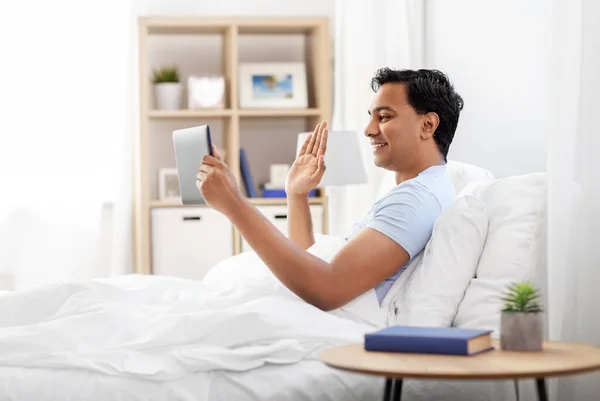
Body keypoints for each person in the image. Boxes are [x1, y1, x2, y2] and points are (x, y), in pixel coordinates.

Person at [196, 67, 464, 311]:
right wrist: (296, 195)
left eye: (384, 117)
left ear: (427, 125)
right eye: (371, 117)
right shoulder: (422, 190)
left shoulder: (415, 200)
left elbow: (326, 289)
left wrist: (234, 204)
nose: (369, 130)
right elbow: (309, 268)